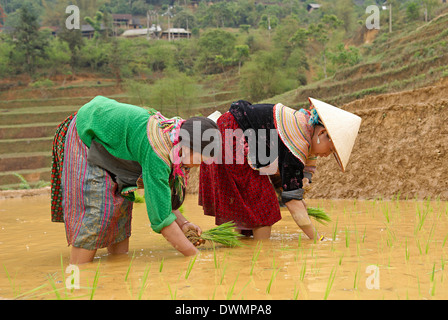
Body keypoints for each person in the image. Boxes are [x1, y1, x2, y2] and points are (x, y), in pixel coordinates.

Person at [50, 96, 220, 264]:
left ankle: (116, 271)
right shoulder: (159, 152)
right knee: (98, 213)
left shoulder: (177, 137)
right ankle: (77, 274)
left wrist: (184, 224)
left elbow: (162, 199)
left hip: (112, 140)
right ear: (189, 146)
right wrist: (196, 257)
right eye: (201, 158)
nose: (199, 165)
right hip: (88, 128)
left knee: (121, 212)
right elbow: (161, 219)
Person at [199, 98, 361, 240]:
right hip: (232, 135)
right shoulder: (297, 143)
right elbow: (292, 200)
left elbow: (300, 172)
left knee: (245, 206)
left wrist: (298, 195)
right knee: (264, 206)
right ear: (323, 133)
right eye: (331, 150)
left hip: (229, 129)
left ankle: (242, 256)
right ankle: (262, 256)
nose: (327, 155)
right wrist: (316, 238)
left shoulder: (303, 124)